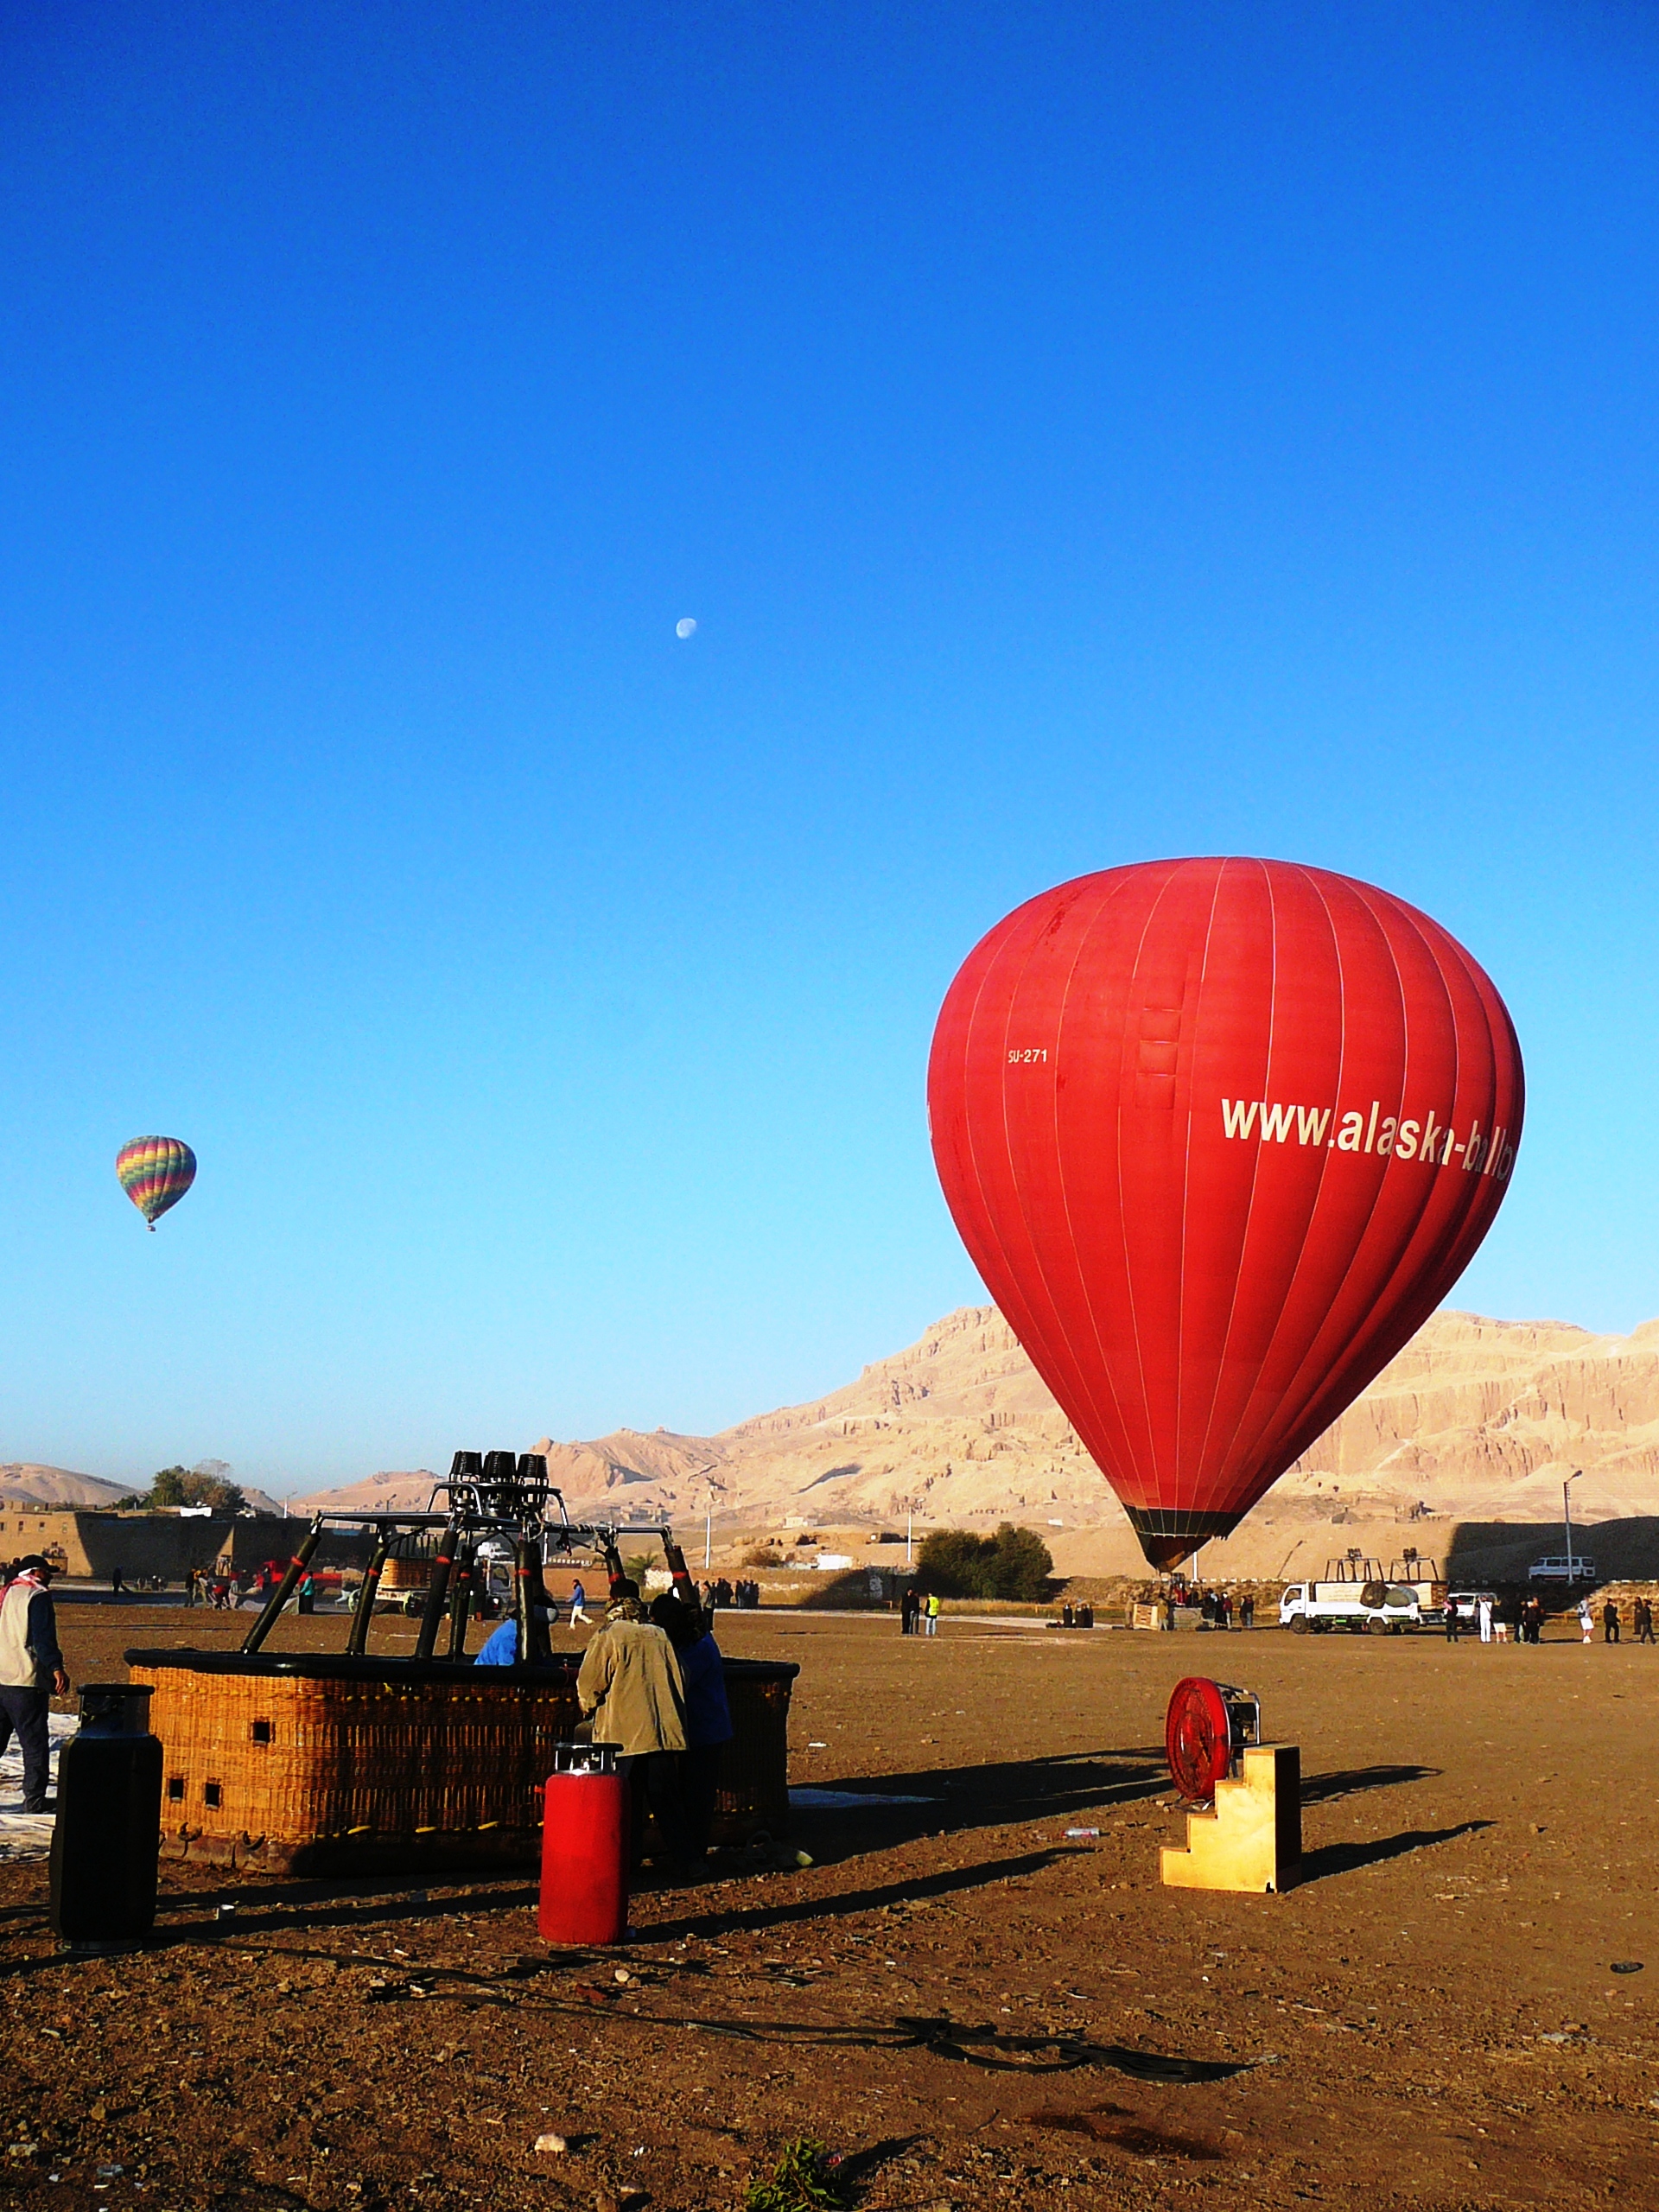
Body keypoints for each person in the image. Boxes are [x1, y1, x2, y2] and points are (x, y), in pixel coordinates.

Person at [576, 1584, 691, 1876]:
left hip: (621, 1737)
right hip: (661, 1734)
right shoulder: (659, 1635)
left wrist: (587, 1706)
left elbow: (590, 1683)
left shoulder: (609, 1635)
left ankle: (625, 1864)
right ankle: (689, 1862)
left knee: (624, 1804)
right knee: (668, 1804)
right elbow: (684, 1676)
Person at [652, 1593, 733, 1859]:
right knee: (692, 1795)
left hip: (705, 1731)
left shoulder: (697, 1648)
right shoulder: (697, 1641)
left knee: (697, 1797)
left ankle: (694, 1854)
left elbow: (678, 1679)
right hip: (700, 1730)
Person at [0, 1555, 69, 1815]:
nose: (50, 1576)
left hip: (1, 1677)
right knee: (34, 1744)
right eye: (47, 1572)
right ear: (36, 1572)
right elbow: (43, 1639)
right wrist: (56, 1668)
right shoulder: (37, 1596)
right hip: (25, 1680)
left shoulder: (6, 1593)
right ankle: (35, 1800)